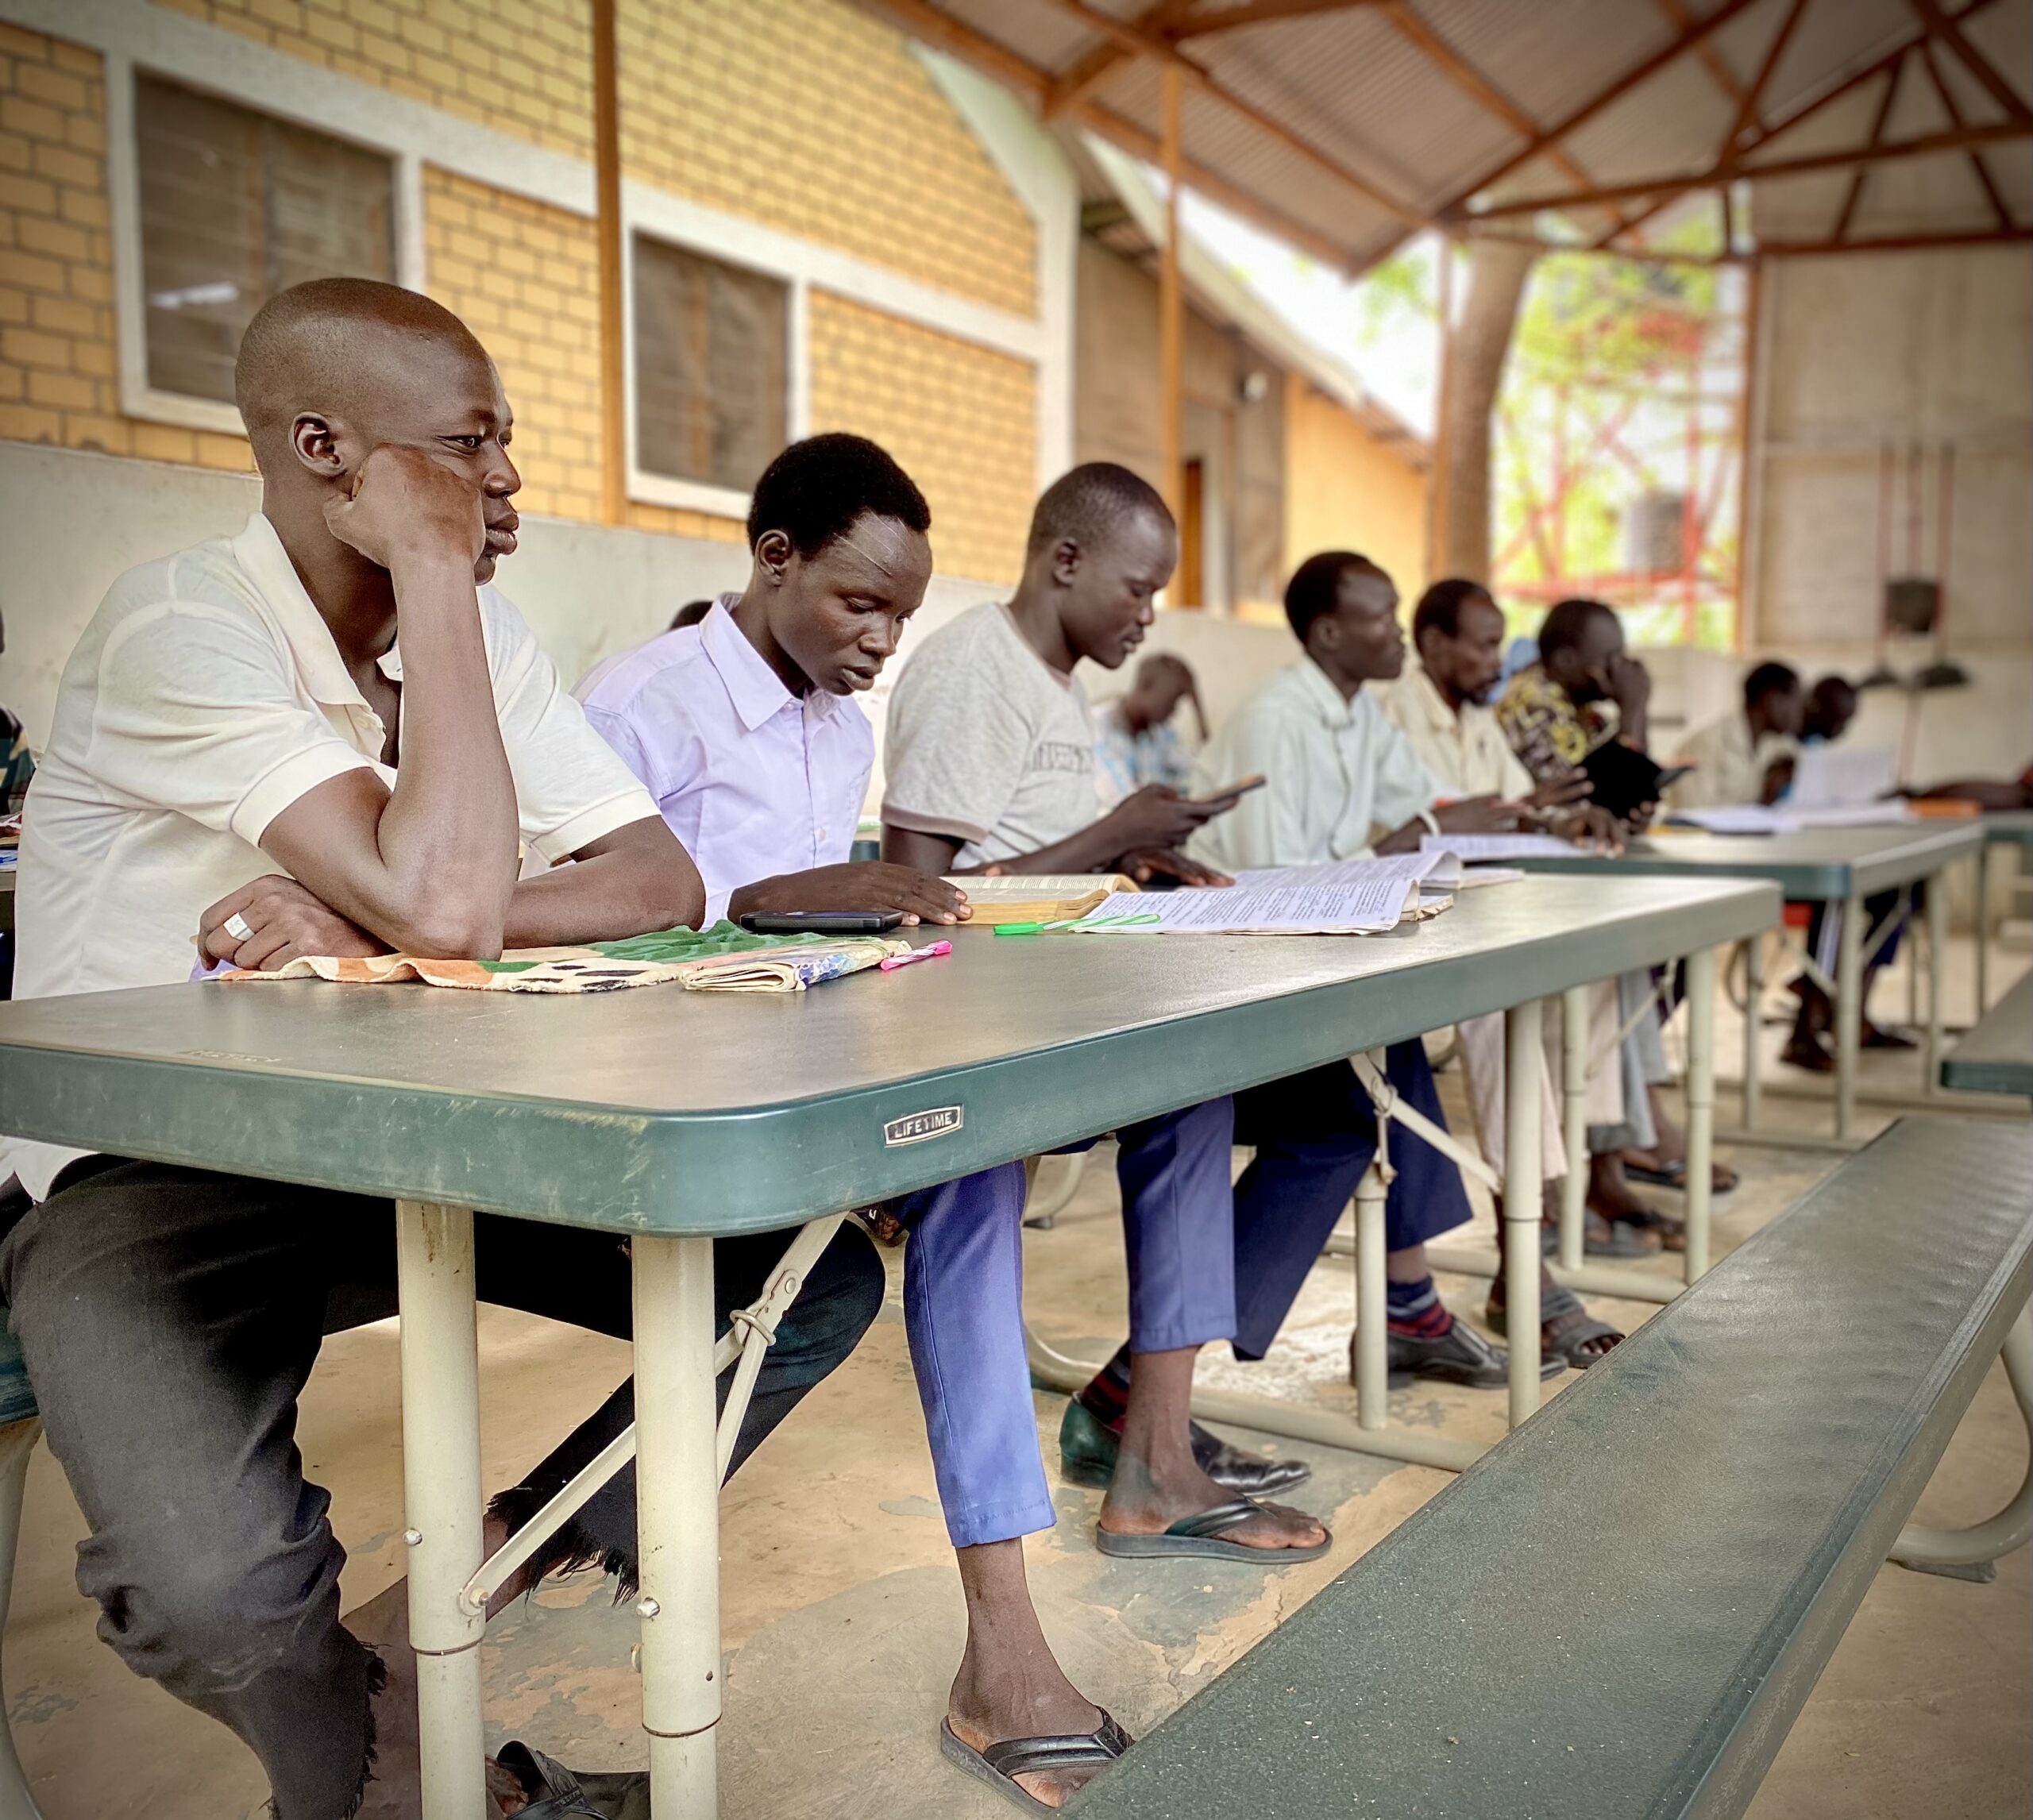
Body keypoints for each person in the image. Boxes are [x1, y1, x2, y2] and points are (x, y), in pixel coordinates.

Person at [0, 279, 887, 1820]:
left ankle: (466, 1606)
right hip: (155, 1163)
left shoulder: (472, 637)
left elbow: (656, 884)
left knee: (797, 1277)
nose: (506, 483)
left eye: (508, 443)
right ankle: (417, 1775)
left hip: (396, 1128)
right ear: (329, 450)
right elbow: (458, 899)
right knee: (203, 1594)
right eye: (469, 447)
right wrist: (428, 585)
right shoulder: (182, 624)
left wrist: (372, 933)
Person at [581, 436, 1326, 1809]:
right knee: (972, 1158)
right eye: (860, 606)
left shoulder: (830, 715)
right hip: (697, 1087)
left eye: (901, 618)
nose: (880, 643)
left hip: (843, 1036)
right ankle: (1005, 1652)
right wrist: (794, 899)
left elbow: (854, 907)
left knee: (1177, 1083)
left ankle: (1155, 1461)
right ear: (773, 556)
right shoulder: (643, 700)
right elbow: (574, 939)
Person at [881, 463, 1344, 1517]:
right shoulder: (971, 672)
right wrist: (1113, 835)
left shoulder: (1057, 683)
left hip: (1078, 992)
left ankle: (1147, 1409)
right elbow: (917, 896)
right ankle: (1153, 1453)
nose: (1148, 614)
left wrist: (1136, 862)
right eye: (1137, 588)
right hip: (994, 1025)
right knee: (1201, 1081)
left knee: (1326, 1108)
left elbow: (1038, 865)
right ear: (1066, 560)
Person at [1195, 559, 1614, 1374]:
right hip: (1239, 964)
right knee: (1377, 1065)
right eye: (1382, 619)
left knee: (1447, 1018)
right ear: (1327, 632)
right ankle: (1423, 1300)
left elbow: (1434, 807)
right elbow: (1271, 888)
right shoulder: (1279, 719)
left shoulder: (1357, 717)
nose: (1397, 634)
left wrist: (1515, 813)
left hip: (1323, 947)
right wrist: (1410, 835)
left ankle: (1416, 1302)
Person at [1495, 599, 1723, 1243]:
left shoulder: (1586, 711)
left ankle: (1615, 1160)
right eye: (1609, 658)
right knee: (1615, 965)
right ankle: (1606, 1167)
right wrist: (1637, 714)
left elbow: (1632, 810)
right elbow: (1594, 796)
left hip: (1576, 884)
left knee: (1642, 958)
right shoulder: (1528, 706)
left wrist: (1628, 738)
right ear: (1566, 660)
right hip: (1531, 894)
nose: (1622, 669)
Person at [1666, 661, 1804, 810]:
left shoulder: (1778, 746)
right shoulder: (1706, 742)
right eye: (1796, 701)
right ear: (1771, 700)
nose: (1800, 711)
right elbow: (1690, 812)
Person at [1094, 651, 1203, 802]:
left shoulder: (1163, 733)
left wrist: (1198, 708)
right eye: (1171, 700)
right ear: (1147, 686)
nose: (1174, 710)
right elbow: (1123, 802)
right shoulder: (1098, 728)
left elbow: (1200, 773)